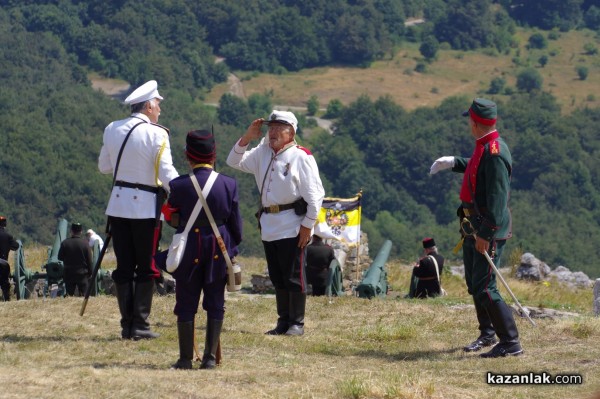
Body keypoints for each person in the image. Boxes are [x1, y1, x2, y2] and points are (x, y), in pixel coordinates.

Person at [430, 98, 522, 358]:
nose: (468, 123)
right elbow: (475, 168)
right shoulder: (485, 146)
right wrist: (454, 162)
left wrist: (485, 234)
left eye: (470, 119)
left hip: (486, 228)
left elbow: (497, 198)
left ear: (476, 123)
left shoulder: (494, 152)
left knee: (485, 286)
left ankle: (510, 342)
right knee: (475, 283)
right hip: (473, 225)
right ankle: (487, 333)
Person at [227, 110, 325, 336]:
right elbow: (233, 161)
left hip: (292, 222)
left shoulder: (301, 156)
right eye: (270, 128)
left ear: (291, 132)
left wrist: (307, 226)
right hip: (269, 223)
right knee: (277, 275)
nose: (272, 132)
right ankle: (283, 321)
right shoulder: (261, 152)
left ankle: (297, 323)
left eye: (278, 128)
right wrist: (247, 137)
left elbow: (315, 196)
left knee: (293, 275)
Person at [98, 80, 178, 340]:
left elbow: (104, 167)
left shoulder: (112, 128)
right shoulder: (157, 134)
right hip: (145, 208)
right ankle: (140, 326)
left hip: (118, 204)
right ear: (149, 106)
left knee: (123, 267)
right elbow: (167, 174)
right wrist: (184, 192)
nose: (160, 111)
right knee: (146, 267)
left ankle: (126, 325)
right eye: (158, 106)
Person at [162, 129, 242, 370]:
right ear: (213, 154)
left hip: (188, 249)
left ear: (188, 156)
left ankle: (185, 359)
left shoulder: (178, 185)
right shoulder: (229, 184)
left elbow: (171, 219)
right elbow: (235, 226)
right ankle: (208, 359)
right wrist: (231, 248)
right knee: (215, 301)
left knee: (186, 300)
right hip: (218, 248)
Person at [58, 223, 93, 296]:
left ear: (71, 231)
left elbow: (60, 257)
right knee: (84, 295)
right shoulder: (85, 243)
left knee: (69, 295)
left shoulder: (65, 243)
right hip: (82, 274)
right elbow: (89, 260)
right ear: (81, 232)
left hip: (69, 273)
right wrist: (90, 273)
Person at [0, 216, 19, 301]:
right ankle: (6, 299)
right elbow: (16, 246)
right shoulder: (8, 236)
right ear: (4, 224)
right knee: (4, 282)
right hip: (3, 262)